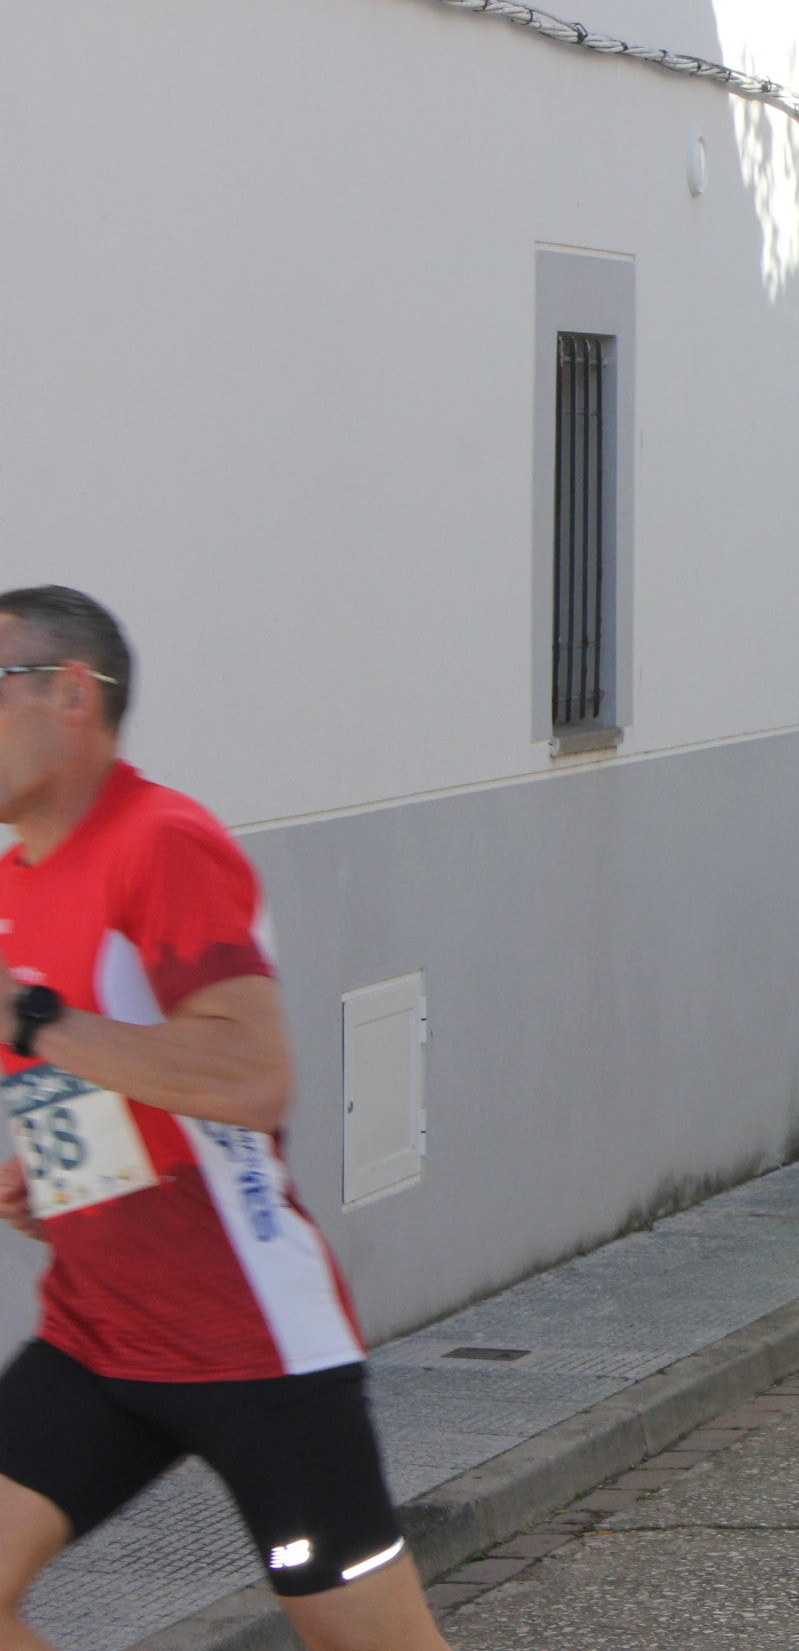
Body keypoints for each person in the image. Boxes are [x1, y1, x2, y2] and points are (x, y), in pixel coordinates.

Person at [0, 587, 450, 1651]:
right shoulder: (15, 882)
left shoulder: (163, 841)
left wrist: (31, 1017)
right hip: (99, 1333)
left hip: (252, 1347)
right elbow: (105, 1085)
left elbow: (251, 1073)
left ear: (72, 694)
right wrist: (52, 1178)